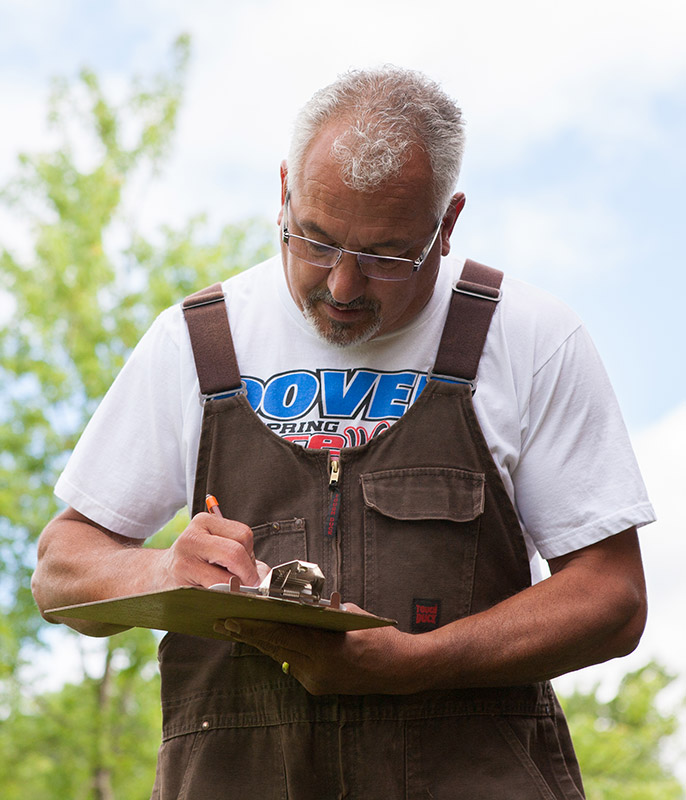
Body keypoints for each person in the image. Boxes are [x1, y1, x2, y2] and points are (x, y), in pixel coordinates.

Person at [32, 66, 654, 799]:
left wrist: (417, 662)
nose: (342, 286)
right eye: (316, 241)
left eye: (387, 256)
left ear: (447, 224)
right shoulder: (197, 340)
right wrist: (163, 571)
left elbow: (613, 598)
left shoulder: (529, 337)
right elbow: (60, 569)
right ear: (284, 194)